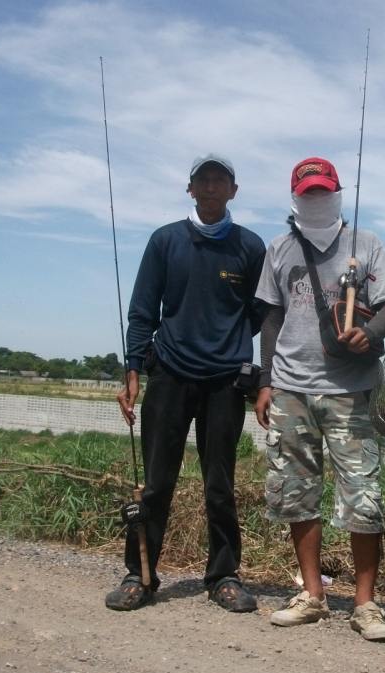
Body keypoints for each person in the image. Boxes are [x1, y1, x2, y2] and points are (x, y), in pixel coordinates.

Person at [105, 154, 265, 613]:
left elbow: (259, 311)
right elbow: (142, 310)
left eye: (221, 180)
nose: (212, 186)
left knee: (220, 483)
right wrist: (134, 366)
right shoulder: (165, 241)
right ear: (189, 188)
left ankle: (224, 575)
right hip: (169, 374)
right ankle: (140, 573)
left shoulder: (250, 248)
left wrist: (228, 342)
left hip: (225, 382)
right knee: (156, 482)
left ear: (234, 190)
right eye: (203, 179)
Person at [254, 156, 385, 641]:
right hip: (291, 387)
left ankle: (365, 603)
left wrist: (369, 333)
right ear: (296, 199)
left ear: (338, 194)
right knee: (295, 491)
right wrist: (265, 382)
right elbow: (271, 320)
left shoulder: (368, 244)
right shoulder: (278, 248)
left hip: (351, 389)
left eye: (324, 192)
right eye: (308, 194)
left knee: (363, 492)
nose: (316, 200)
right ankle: (312, 594)